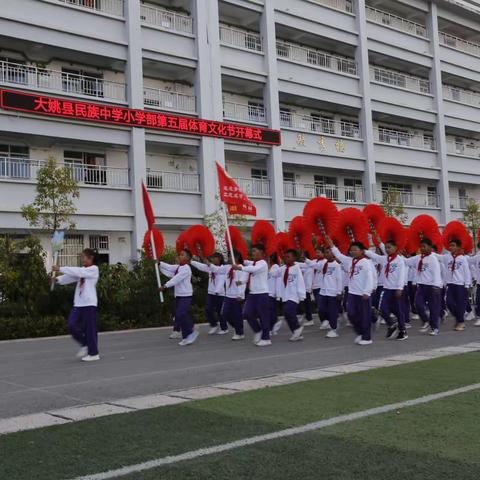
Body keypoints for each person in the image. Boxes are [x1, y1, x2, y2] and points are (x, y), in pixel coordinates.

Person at [52, 248, 100, 362]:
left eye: (84, 257)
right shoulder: (82, 270)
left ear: (90, 258)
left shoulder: (94, 269)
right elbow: (69, 277)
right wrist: (57, 279)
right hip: (78, 304)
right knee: (71, 325)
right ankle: (85, 344)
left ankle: (94, 353)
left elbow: (78, 272)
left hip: (89, 304)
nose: (82, 259)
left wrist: (60, 268)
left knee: (89, 329)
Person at [326, 236, 374, 345]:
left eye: (355, 249)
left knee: (364, 316)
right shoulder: (349, 261)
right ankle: (360, 333)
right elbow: (338, 255)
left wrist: (367, 291)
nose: (352, 252)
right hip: (352, 293)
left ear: (361, 251)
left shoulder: (366, 262)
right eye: (351, 250)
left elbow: (369, 277)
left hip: (363, 294)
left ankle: (367, 338)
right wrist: (332, 246)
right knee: (351, 314)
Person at [365, 238, 407, 341]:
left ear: (395, 248)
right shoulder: (384, 259)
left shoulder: (399, 260)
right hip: (386, 288)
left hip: (396, 289)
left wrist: (399, 288)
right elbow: (375, 256)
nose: (387, 250)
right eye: (386, 248)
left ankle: (402, 330)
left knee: (398, 311)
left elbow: (402, 275)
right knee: (382, 308)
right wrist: (364, 251)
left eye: (389, 247)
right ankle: (391, 324)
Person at [203, 250, 248, 340]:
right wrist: (209, 264)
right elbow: (217, 269)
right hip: (228, 296)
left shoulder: (241, 268)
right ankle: (238, 328)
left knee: (237, 315)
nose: (229, 258)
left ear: (236, 258)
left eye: (230, 256)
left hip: (237, 296)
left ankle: (239, 332)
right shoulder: (227, 267)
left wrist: (240, 294)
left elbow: (243, 282)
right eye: (228, 256)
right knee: (224, 314)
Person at [233, 244, 271, 346]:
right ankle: (258, 330)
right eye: (252, 251)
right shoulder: (253, 263)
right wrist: (240, 282)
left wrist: (240, 267)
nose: (252, 253)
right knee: (247, 313)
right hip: (252, 294)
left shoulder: (263, 263)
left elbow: (252, 269)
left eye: (255, 251)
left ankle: (266, 338)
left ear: (262, 252)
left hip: (262, 293)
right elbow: (246, 265)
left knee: (263, 316)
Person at [159, 249, 199, 346]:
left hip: (186, 295)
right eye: (179, 254)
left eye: (182, 255)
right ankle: (188, 334)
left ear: (188, 258)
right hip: (179, 295)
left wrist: (165, 286)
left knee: (180, 314)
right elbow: (169, 268)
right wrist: (159, 263)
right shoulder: (178, 267)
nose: (179, 256)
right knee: (180, 315)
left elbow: (176, 279)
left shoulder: (186, 268)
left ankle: (190, 333)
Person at [405, 238, 443, 335]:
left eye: (424, 246)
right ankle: (426, 321)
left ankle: (434, 328)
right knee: (417, 304)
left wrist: (436, 286)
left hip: (432, 287)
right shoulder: (418, 258)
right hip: (421, 286)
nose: (422, 248)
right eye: (421, 246)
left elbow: (436, 273)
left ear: (430, 247)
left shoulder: (433, 259)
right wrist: (398, 255)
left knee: (433, 308)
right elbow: (406, 261)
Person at [191, 252, 227, 335]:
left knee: (220, 312)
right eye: (212, 258)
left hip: (220, 294)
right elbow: (201, 266)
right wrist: (191, 262)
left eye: (215, 258)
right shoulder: (210, 267)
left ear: (220, 259)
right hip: (211, 293)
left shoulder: (224, 268)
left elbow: (221, 281)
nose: (213, 259)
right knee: (208, 309)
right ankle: (214, 325)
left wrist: (217, 291)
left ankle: (224, 328)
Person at [441, 240, 472, 331]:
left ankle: (461, 322)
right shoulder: (447, 257)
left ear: (458, 247)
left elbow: (467, 272)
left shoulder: (462, 258)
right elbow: (438, 256)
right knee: (449, 303)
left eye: (453, 245)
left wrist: (467, 285)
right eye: (450, 245)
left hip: (460, 285)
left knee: (460, 304)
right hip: (450, 284)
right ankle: (459, 318)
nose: (451, 247)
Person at [276, 249, 306, 341]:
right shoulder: (282, 268)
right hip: (285, 295)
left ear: (294, 258)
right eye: (285, 257)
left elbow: (300, 282)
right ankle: (296, 332)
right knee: (287, 313)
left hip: (294, 295)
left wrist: (302, 296)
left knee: (288, 310)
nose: (286, 258)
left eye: (288, 257)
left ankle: (297, 328)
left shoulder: (296, 268)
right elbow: (273, 274)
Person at [317, 247, 343, 338]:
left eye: (328, 252)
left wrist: (339, 291)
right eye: (325, 252)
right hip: (323, 291)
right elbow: (313, 265)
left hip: (333, 292)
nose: (326, 254)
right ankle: (329, 321)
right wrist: (306, 260)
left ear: (333, 254)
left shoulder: (337, 265)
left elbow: (339, 279)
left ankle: (334, 329)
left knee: (332, 311)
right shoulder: (323, 263)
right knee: (321, 309)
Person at [304, 247, 327, 328]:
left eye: (319, 252)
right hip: (315, 287)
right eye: (316, 252)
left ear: (323, 253)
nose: (317, 254)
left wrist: (306, 259)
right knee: (318, 305)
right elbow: (305, 264)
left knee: (321, 305)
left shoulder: (325, 262)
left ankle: (326, 320)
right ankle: (324, 321)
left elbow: (316, 266)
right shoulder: (313, 261)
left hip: (322, 287)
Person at [267, 253, 282, 334]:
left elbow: (278, 281)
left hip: (272, 293)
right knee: (271, 311)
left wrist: (278, 295)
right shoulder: (268, 267)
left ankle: (271, 327)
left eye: (268, 257)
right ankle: (273, 327)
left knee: (270, 311)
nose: (267, 259)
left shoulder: (275, 267)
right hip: (267, 292)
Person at [468, 243, 480, 327]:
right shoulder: (478, 257)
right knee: (478, 300)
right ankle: (479, 318)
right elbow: (467, 261)